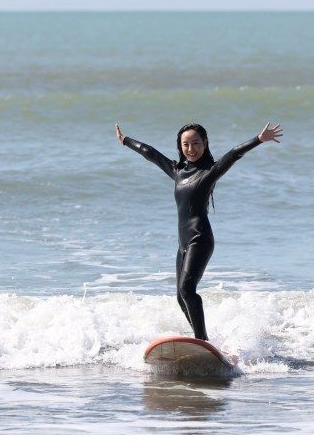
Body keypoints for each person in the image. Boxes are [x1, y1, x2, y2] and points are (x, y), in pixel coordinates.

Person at [115, 121, 282, 341]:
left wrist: (258, 140)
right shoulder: (177, 171)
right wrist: (126, 141)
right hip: (182, 244)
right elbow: (151, 153)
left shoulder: (209, 172)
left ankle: (201, 340)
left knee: (187, 289)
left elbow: (233, 155)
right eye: (186, 144)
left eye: (196, 143)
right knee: (180, 296)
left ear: (204, 144)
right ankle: (202, 340)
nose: (191, 148)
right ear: (180, 146)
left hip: (200, 239)